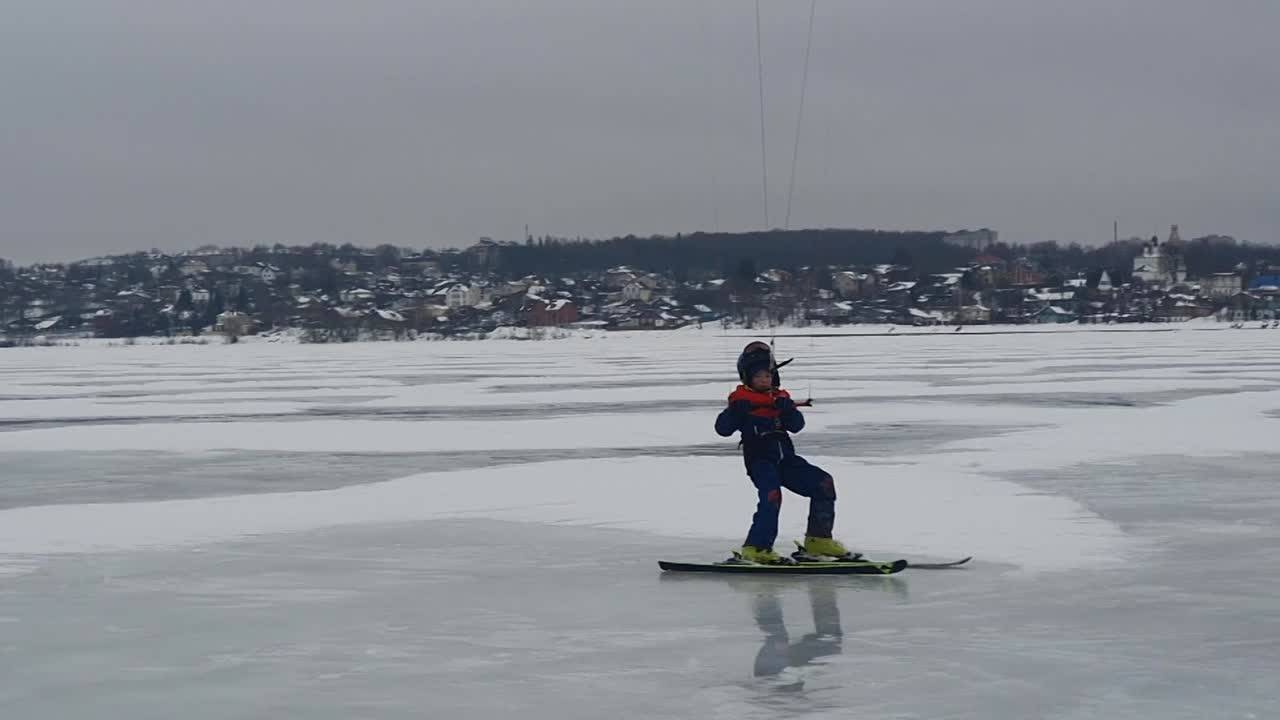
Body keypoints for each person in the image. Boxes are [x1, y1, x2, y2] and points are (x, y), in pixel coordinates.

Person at [714, 341, 854, 564]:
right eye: (758, 376)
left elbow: (797, 426)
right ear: (748, 378)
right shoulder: (740, 402)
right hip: (760, 461)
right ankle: (756, 548)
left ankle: (818, 541)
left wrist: (787, 409)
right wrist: (733, 413)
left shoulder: (780, 400)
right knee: (772, 496)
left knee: (823, 484)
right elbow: (722, 430)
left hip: (787, 461)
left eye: (768, 376)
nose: (764, 380)